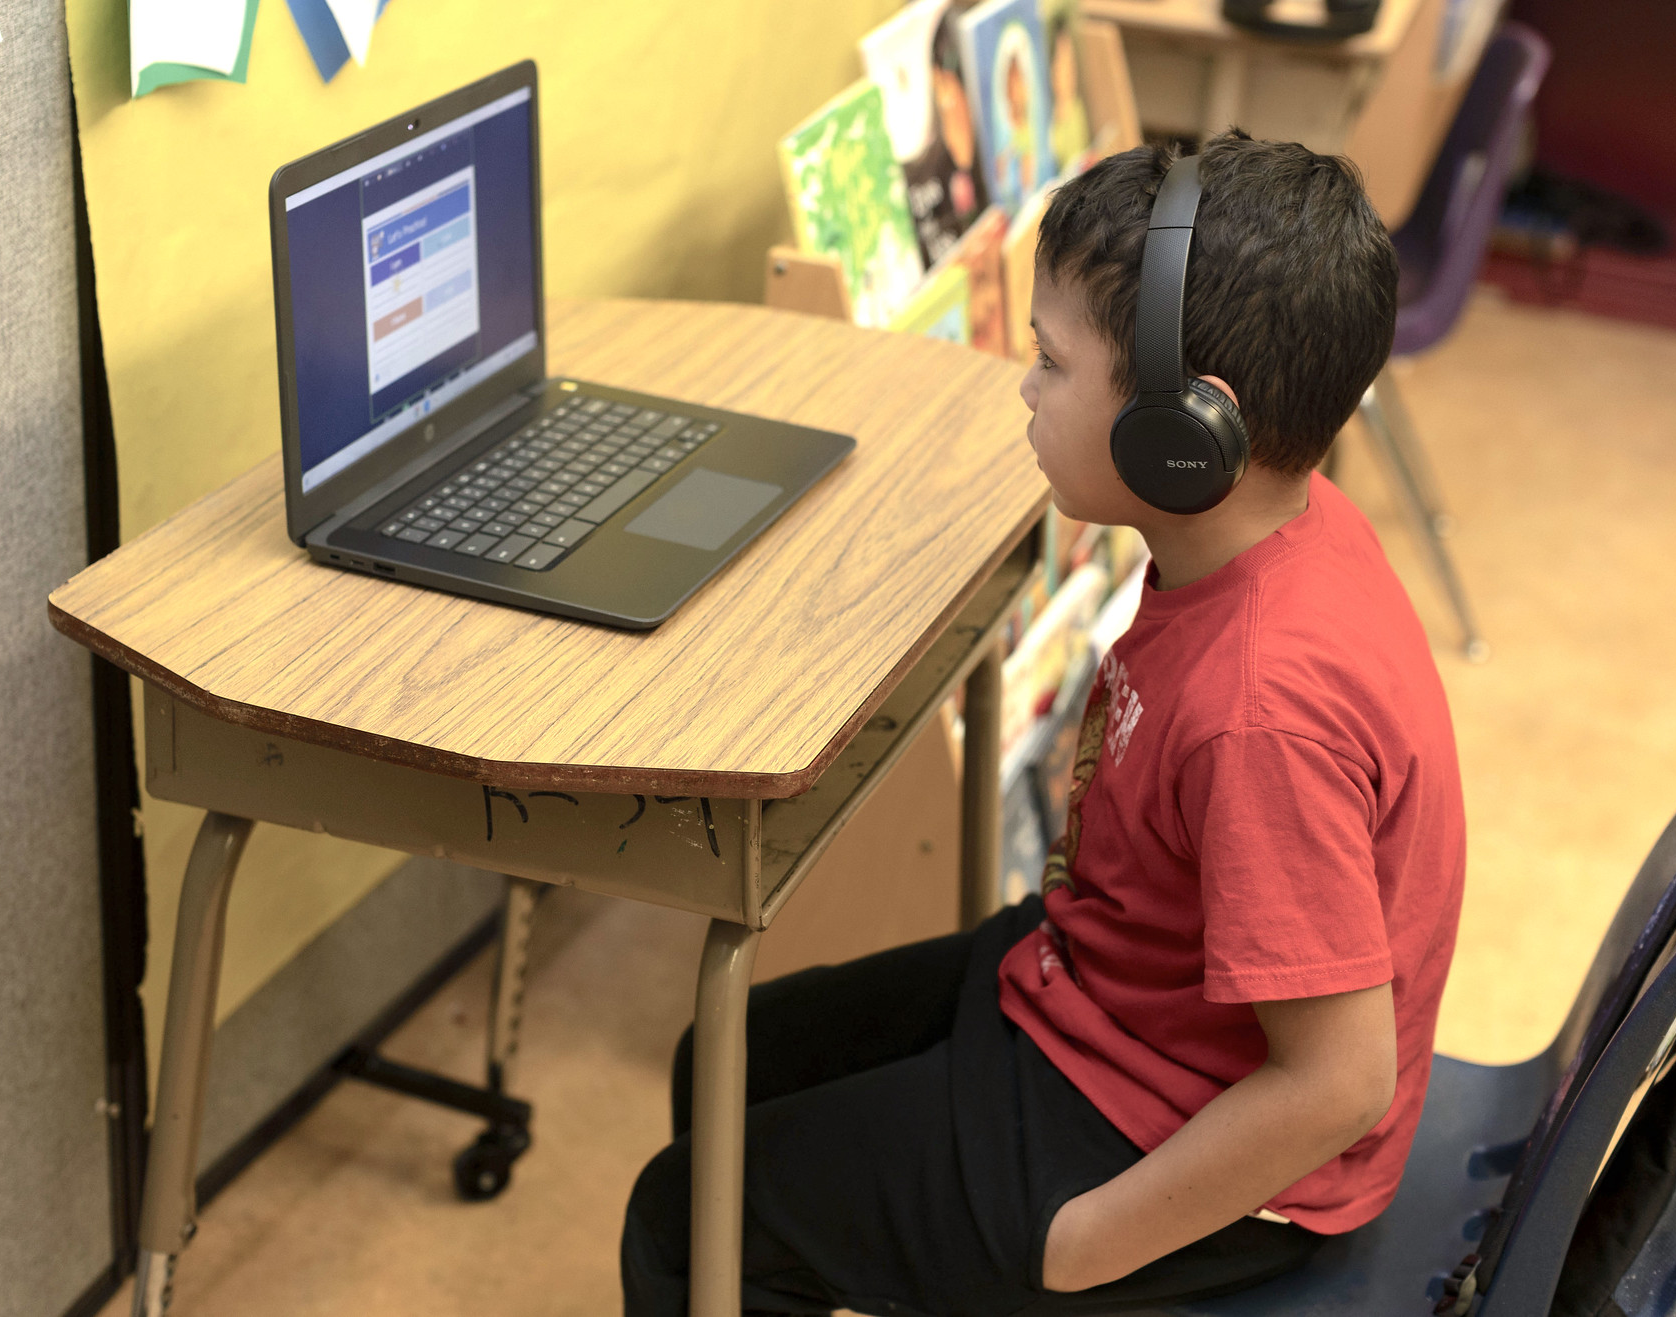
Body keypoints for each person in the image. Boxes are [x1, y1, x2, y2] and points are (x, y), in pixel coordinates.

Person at [620, 133, 1464, 1317]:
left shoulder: (1259, 711)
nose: (1024, 385)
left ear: (1184, 431)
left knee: (682, 1217)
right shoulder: (1284, 521)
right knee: (722, 1061)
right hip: (1110, 990)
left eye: (1050, 362)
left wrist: (1084, 1246)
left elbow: (1335, 1084)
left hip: (1168, 1133)